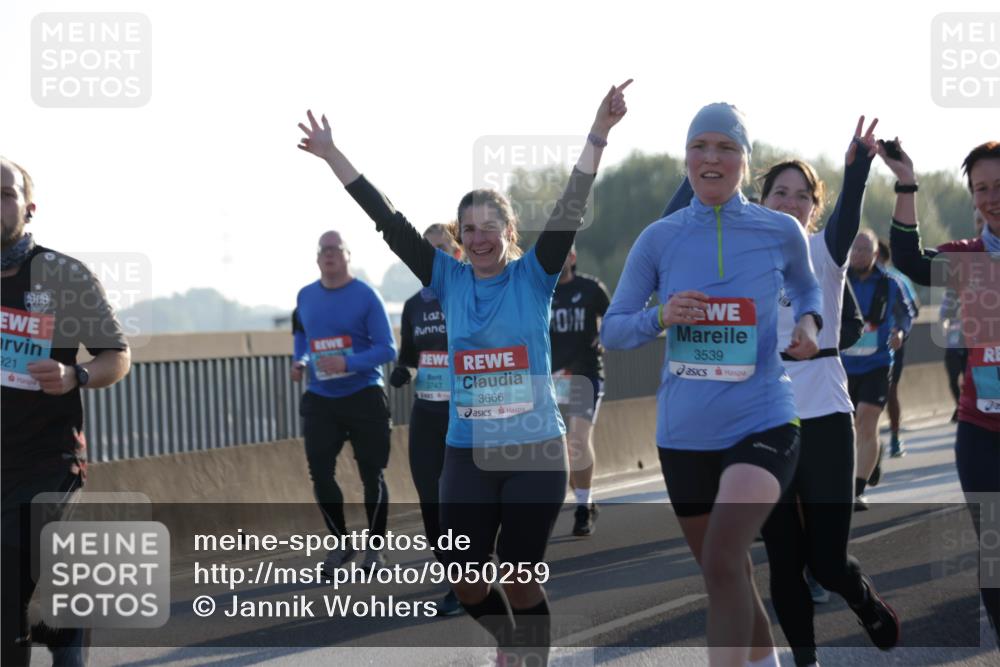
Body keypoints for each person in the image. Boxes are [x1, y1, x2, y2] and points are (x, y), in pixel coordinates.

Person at [296, 79, 631, 666]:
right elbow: (387, 219)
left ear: (508, 232)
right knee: (465, 576)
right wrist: (332, 156)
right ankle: (510, 639)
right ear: (458, 237)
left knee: (521, 578)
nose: (478, 238)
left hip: (532, 450)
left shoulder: (535, 275)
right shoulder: (444, 279)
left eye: (488, 227)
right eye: (467, 229)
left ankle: (531, 657)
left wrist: (598, 134)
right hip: (467, 450)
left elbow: (571, 204)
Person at [658, 118, 900, 666]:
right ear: (759, 198)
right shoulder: (739, 255)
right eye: (779, 193)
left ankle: (862, 600)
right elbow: (674, 226)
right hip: (762, 422)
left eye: (802, 196)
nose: (791, 204)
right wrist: (701, 159)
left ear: (816, 208)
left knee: (828, 561)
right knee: (785, 560)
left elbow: (850, 213)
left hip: (824, 419)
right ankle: (805, 660)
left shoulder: (825, 252)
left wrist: (858, 165)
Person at [602, 102, 823, 667]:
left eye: (726, 147)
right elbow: (614, 330)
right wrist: (663, 316)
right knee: (726, 572)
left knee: (725, 557)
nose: (711, 157)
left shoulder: (780, 230)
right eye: (700, 146)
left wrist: (806, 324)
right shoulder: (659, 238)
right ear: (686, 159)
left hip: (765, 419)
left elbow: (808, 289)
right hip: (684, 434)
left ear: (744, 162)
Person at [1, 157, 132, 666]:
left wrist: (75, 375)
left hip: (48, 460)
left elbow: (116, 355)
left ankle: (63, 632)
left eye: (5, 193)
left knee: (14, 564)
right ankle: (59, 626)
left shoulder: (61, 274)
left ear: (29, 208)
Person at [887, 139, 1000, 642]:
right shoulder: (967, 258)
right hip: (981, 431)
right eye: (981, 189)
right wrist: (907, 180)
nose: (991, 197)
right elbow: (909, 258)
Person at [291, 230, 396, 572]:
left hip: (364, 394)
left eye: (336, 248)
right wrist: (301, 360)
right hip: (322, 398)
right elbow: (303, 335)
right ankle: (340, 544)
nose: (329, 254)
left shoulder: (366, 296)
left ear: (348, 255)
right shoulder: (305, 296)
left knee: (372, 476)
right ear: (317, 257)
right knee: (319, 474)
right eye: (323, 249)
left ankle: (375, 550)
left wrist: (348, 363)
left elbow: (387, 349)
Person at [388, 222, 463, 616]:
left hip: (468, 414)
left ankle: (470, 576)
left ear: (457, 254)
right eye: (426, 250)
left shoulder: (469, 295)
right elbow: (409, 356)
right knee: (431, 502)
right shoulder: (414, 305)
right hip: (427, 412)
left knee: (462, 501)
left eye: (441, 249)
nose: (432, 257)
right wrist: (402, 371)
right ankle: (456, 576)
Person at [841, 229, 915, 509]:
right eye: (855, 250)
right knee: (849, 429)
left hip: (877, 363)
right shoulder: (837, 278)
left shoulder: (890, 283)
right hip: (842, 366)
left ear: (875, 254)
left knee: (866, 420)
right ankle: (874, 452)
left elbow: (907, 314)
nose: (858, 255)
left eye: (864, 251)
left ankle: (856, 490)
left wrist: (900, 332)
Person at [549, 244, 610, 536]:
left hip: (585, 375)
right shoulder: (540, 294)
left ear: (572, 256)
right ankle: (587, 498)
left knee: (577, 439)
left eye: (563, 253)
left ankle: (583, 509)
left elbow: (615, 318)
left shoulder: (590, 288)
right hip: (550, 379)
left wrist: (604, 336)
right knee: (560, 450)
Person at [877, 238, 921, 458]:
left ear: (881, 257)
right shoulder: (851, 278)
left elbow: (913, 309)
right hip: (860, 347)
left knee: (890, 390)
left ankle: (894, 438)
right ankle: (869, 442)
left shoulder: (897, 279)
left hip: (892, 343)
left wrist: (899, 332)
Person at [941, 211, 985, 422]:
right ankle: (963, 407)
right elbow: (946, 306)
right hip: (960, 337)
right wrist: (946, 322)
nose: (982, 225)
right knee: (955, 376)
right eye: (978, 221)